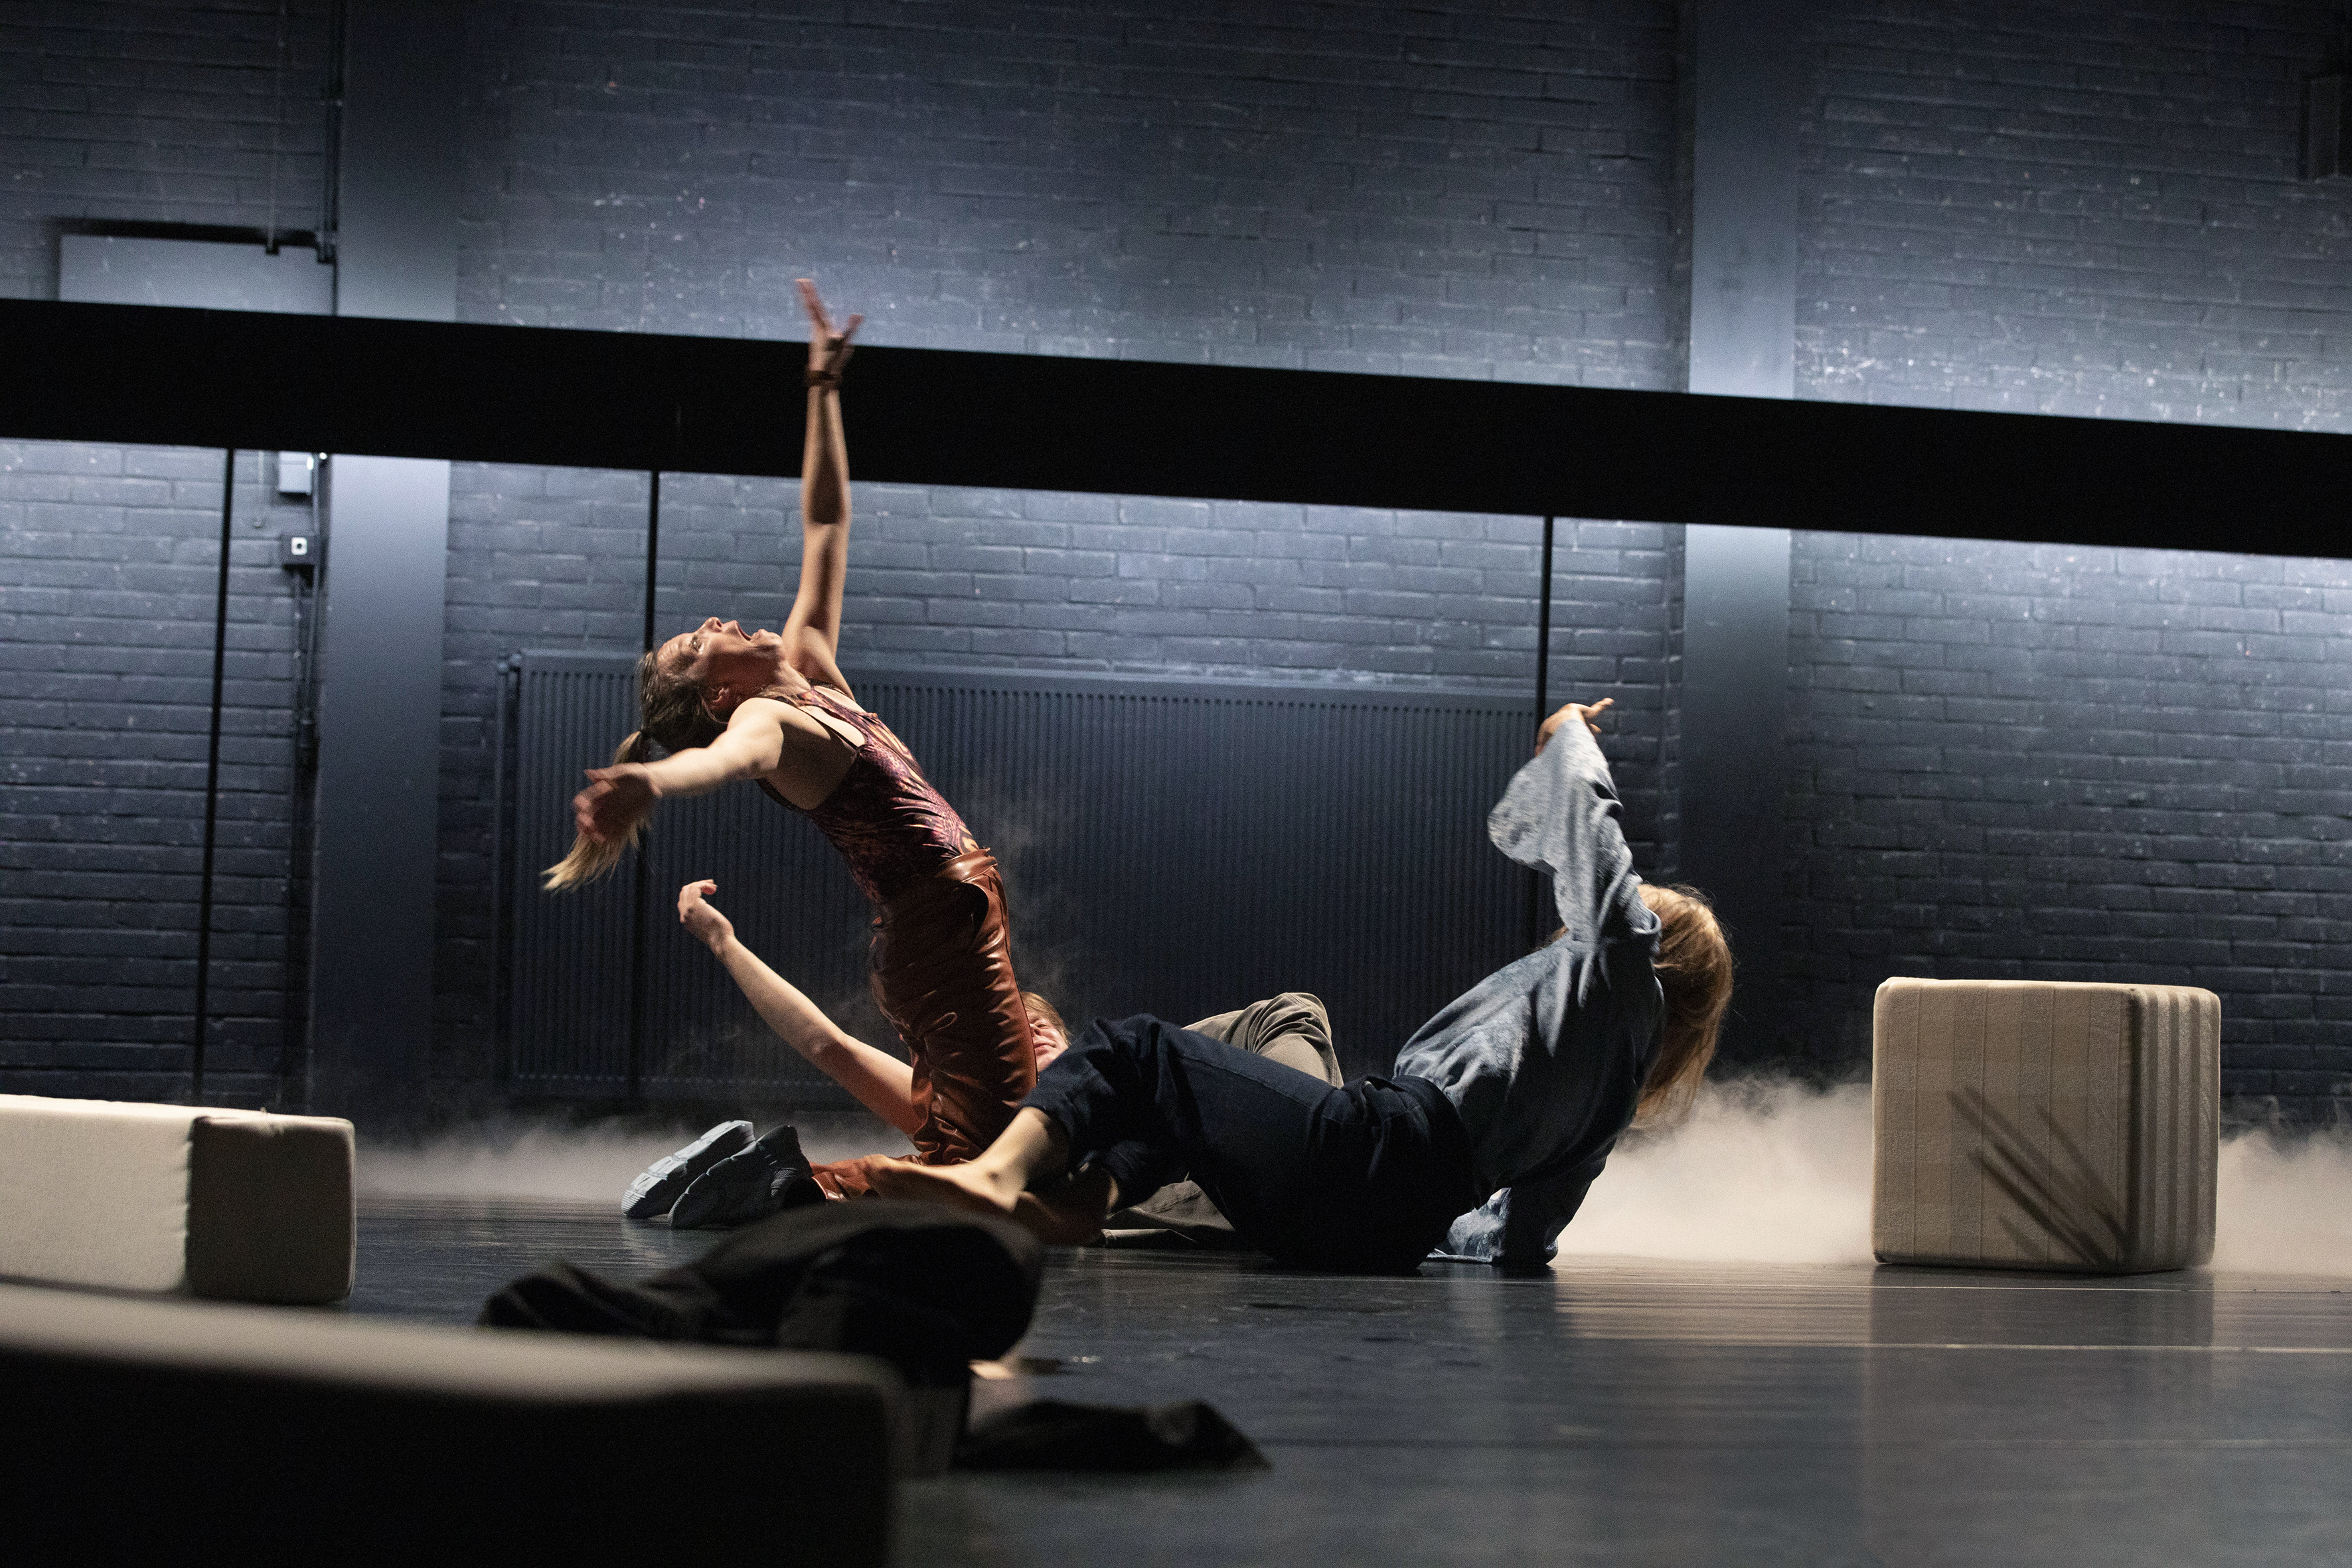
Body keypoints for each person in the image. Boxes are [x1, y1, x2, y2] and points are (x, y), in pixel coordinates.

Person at [863, 696, 1734, 1273]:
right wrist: (1428, 1226)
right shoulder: (1605, 1108)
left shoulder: (1623, 963)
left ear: (1658, 951)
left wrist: (1567, 736)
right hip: (1390, 1226)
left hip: (1376, 1150)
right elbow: (1519, 1242)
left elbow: (1595, 837)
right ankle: (1081, 1203)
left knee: (1137, 1049)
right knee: (1186, 1098)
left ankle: (997, 1175)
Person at [545, 280, 1037, 1202]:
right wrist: (656, 784)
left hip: (940, 933)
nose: (714, 620)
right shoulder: (762, 722)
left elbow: (826, 523)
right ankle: (790, 1188)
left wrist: (822, 389)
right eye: (697, 643)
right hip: (942, 935)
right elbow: (724, 761)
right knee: (1010, 1165)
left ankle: (779, 1180)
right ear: (720, 691)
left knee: (1013, 1125)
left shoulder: (808, 668)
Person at [631, 877, 1344, 1234]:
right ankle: (781, 1190)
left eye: (1045, 1028)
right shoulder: (980, 1105)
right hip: (1213, 1200)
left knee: (1284, 1045)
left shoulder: (1122, 1071)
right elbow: (833, 1047)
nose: (1033, 1036)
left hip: (1251, 1116)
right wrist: (724, 942)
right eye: (1019, 1031)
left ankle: (1320, 1140)